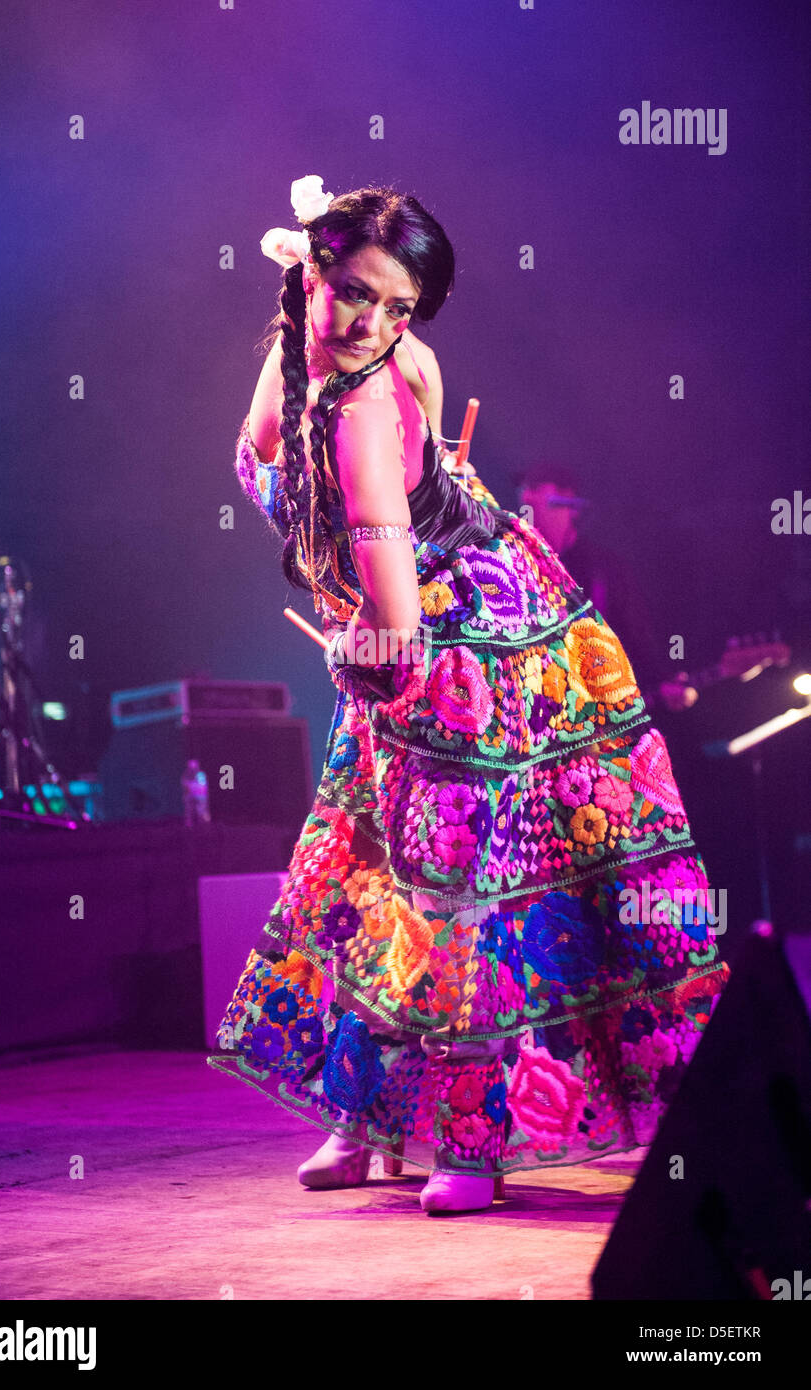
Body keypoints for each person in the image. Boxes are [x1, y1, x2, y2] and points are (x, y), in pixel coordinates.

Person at [207, 176, 731, 1214]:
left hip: (482, 649)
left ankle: (472, 1134)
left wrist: (365, 639)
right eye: (353, 291)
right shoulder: (286, 357)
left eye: (396, 307)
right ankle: (365, 1120)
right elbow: (274, 464)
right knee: (366, 870)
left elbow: (400, 605)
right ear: (307, 271)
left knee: (465, 896)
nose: (371, 323)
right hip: (402, 631)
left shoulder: (366, 401)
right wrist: (356, 608)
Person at [516, 463, 699, 714]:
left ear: (567, 499)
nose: (525, 496)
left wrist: (662, 680)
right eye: (524, 489)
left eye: (535, 487)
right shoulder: (519, 562)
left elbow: (637, 637)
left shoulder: (603, 570)